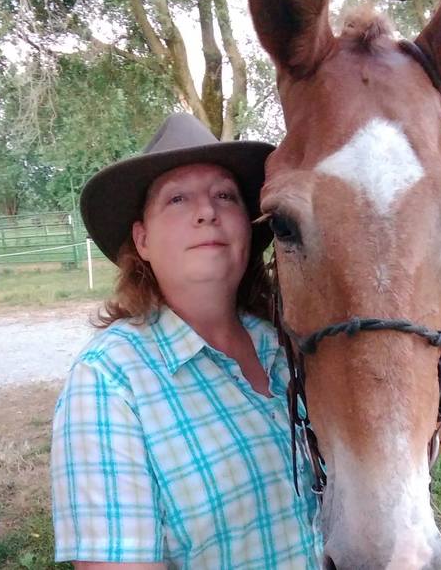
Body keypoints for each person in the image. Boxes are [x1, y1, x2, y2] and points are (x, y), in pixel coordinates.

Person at [51, 113, 322, 569]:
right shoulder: (108, 382)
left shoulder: (290, 345)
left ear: (248, 225)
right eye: (178, 198)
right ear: (142, 240)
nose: (207, 211)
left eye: (225, 196)